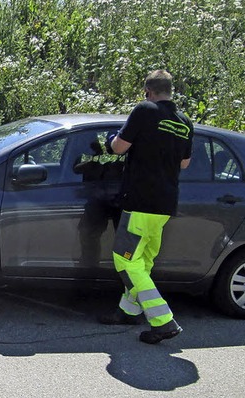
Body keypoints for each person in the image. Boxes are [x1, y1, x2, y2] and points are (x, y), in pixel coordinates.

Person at [99, 70, 193, 344]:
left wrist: (107, 141)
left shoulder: (145, 110)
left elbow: (118, 147)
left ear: (148, 92)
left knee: (125, 260)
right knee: (143, 261)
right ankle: (128, 310)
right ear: (170, 91)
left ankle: (164, 321)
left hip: (140, 201)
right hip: (165, 205)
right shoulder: (184, 121)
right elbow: (184, 163)